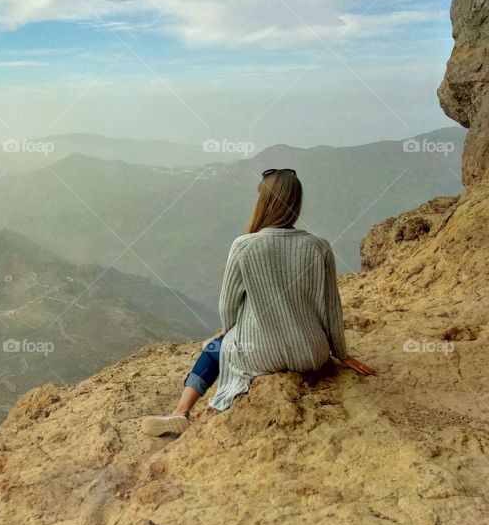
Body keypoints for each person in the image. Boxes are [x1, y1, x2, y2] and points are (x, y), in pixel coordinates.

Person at [141, 168, 376, 437]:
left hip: (261, 355)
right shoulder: (319, 246)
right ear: (296, 202)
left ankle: (180, 413)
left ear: (263, 202)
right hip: (312, 354)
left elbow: (227, 308)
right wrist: (342, 353)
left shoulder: (244, 246)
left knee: (216, 346)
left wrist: (233, 334)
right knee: (227, 341)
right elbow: (331, 307)